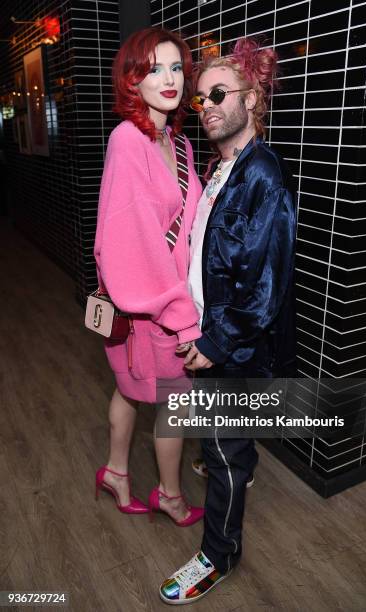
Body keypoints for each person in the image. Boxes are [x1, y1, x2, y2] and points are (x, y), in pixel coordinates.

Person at [159, 38, 297, 603]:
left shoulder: (262, 175)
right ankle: (235, 461)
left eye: (219, 93)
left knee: (222, 451)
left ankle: (219, 555)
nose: (208, 105)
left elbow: (266, 284)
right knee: (223, 446)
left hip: (235, 347)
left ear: (253, 97)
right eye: (199, 99)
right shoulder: (224, 168)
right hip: (214, 334)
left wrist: (217, 341)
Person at [93, 27, 204, 527]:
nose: (169, 78)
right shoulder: (128, 140)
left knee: (132, 390)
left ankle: (117, 473)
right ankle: (171, 496)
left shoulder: (176, 142)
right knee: (172, 402)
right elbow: (130, 245)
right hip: (152, 305)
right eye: (154, 68)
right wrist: (182, 317)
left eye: (177, 67)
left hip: (168, 299)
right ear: (131, 80)